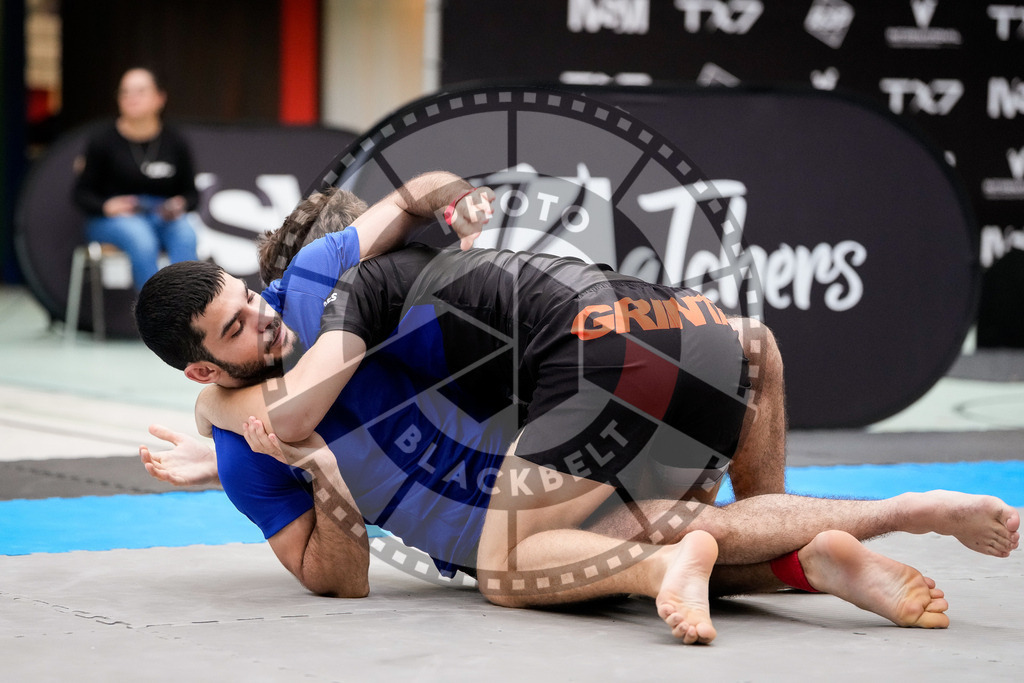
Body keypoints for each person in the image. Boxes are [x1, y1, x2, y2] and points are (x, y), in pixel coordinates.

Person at [136, 181, 1019, 644]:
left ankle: (827, 532)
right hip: (652, 355)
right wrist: (253, 448)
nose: (273, 309)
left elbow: (311, 420)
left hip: (551, 451)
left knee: (511, 572)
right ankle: (799, 557)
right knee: (751, 359)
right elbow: (336, 545)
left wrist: (229, 425)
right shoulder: (370, 306)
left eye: (264, 294)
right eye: (246, 317)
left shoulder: (343, 308)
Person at [73, 67, 198, 291]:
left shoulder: (175, 141)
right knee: (140, 237)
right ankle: (154, 318)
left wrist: (180, 204)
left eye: (140, 91)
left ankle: (186, 313)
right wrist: (107, 206)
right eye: (125, 92)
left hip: (160, 214)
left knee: (186, 234)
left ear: (160, 98)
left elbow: (192, 194)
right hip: (112, 219)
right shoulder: (102, 140)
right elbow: (81, 194)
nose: (131, 98)